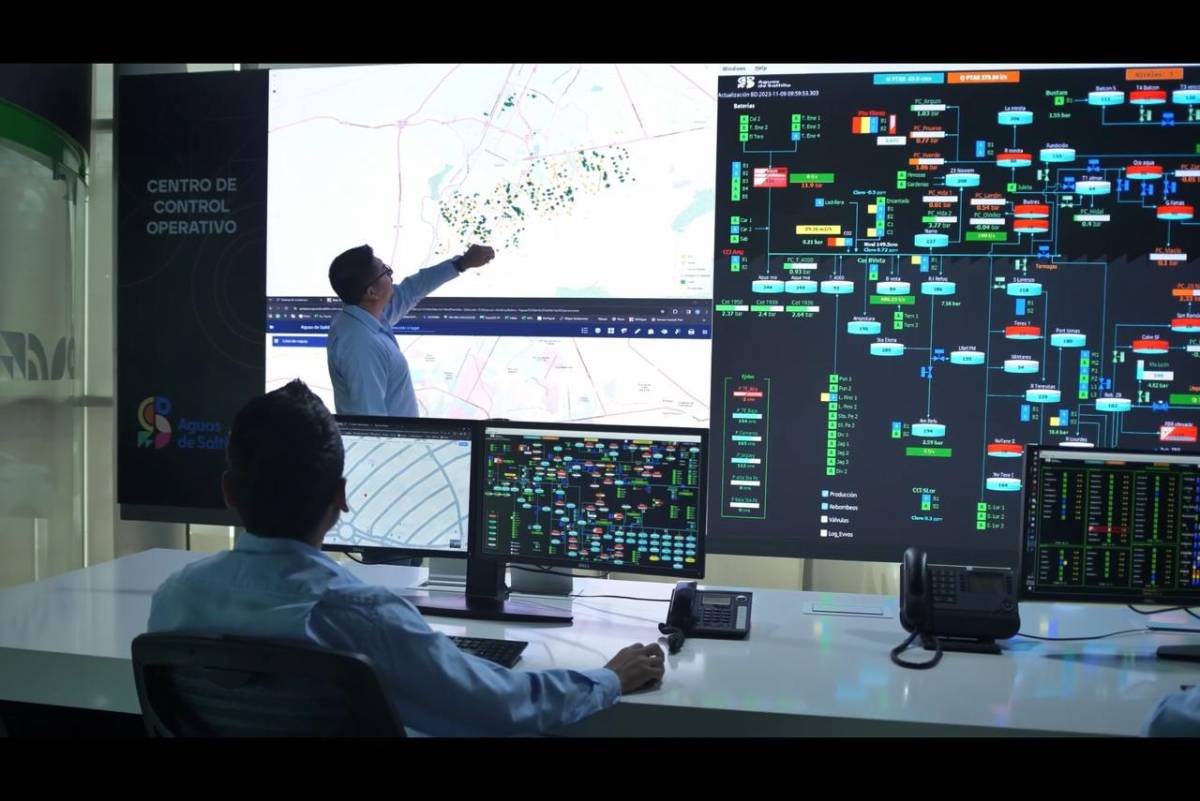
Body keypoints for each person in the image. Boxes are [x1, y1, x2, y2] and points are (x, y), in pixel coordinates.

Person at [147, 380, 666, 736]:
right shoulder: (362, 617)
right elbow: (501, 705)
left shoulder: (175, 600)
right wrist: (609, 679)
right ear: (341, 497)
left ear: (229, 493)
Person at [327, 243, 495, 417]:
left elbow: (410, 291)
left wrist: (460, 263)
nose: (391, 277)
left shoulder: (365, 316)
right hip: (392, 436)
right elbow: (370, 419)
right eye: (385, 272)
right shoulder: (360, 345)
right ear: (371, 292)